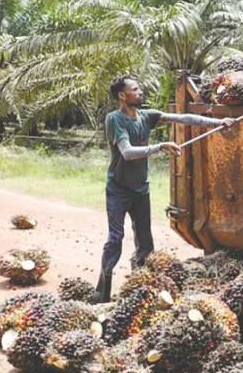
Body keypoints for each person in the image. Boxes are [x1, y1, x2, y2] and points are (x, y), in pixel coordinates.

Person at [92, 74, 235, 303]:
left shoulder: (146, 116)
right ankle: (102, 290)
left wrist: (218, 123)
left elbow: (184, 118)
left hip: (140, 189)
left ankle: (140, 285)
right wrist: (161, 146)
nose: (140, 92)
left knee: (146, 241)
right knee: (115, 238)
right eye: (135, 89)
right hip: (118, 190)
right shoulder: (115, 119)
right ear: (122, 95)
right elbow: (127, 153)